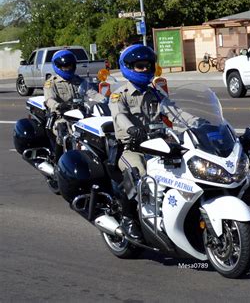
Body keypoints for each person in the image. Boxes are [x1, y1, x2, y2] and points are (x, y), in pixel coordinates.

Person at [109, 44, 167, 241]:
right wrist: (132, 128)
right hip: (131, 149)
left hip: (158, 146)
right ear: (128, 67)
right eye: (139, 66)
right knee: (138, 176)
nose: (145, 70)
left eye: (148, 66)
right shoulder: (120, 94)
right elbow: (119, 116)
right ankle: (128, 219)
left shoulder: (155, 92)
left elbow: (174, 110)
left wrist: (197, 122)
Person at [44, 49, 106, 161]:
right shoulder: (51, 83)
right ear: (57, 66)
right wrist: (59, 106)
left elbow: (91, 92)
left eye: (70, 66)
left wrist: (105, 100)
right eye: (64, 66)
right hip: (61, 116)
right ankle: (57, 161)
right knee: (62, 131)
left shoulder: (78, 80)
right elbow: (49, 100)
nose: (67, 68)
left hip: (82, 114)